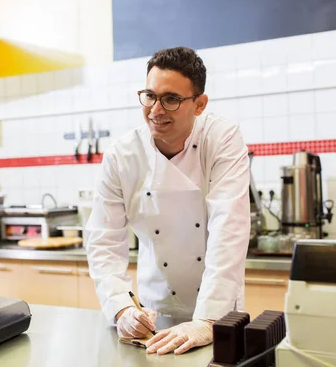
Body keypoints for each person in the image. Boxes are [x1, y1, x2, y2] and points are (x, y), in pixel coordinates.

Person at [85, 46, 250, 355]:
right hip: (153, 317)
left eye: (171, 99)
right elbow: (103, 240)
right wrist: (122, 309)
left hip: (218, 314)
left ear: (199, 104)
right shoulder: (122, 156)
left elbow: (230, 229)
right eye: (150, 96)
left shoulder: (222, 140)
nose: (156, 110)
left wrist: (207, 320)